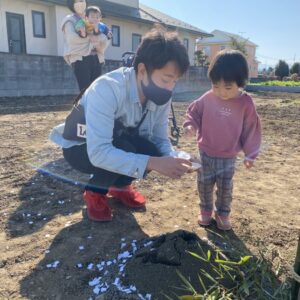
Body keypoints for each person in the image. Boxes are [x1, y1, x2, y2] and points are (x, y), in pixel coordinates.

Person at [50, 26, 192, 222]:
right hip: (81, 147)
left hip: (119, 139)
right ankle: (95, 192)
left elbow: (159, 137)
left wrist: (173, 158)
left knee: (150, 149)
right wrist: (153, 162)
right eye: (166, 79)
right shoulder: (107, 89)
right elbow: (99, 152)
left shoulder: (161, 96)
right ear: (142, 70)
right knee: (129, 149)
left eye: (175, 81)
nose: (170, 88)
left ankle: (120, 187)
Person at [183, 49, 262, 230]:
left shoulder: (246, 103)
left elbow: (252, 129)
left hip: (228, 156)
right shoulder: (208, 97)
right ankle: (205, 210)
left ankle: (223, 213)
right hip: (205, 152)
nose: (222, 93)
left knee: (225, 188)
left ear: (240, 83)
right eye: (216, 86)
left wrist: (250, 154)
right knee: (204, 184)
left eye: (228, 87)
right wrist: (190, 125)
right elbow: (194, 112)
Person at [62, 0, 110, 91]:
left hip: (96, 58)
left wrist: (99, 40)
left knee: (96, 89)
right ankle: (83, 105)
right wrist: (92, 40)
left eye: (82, 1)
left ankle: (94, 105)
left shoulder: (93, 18)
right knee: (85, 90)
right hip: (80, 58)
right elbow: (72, 39)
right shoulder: (70, 20)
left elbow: (105, 38)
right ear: (72, 4)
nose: (80, 4)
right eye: (77, 1)